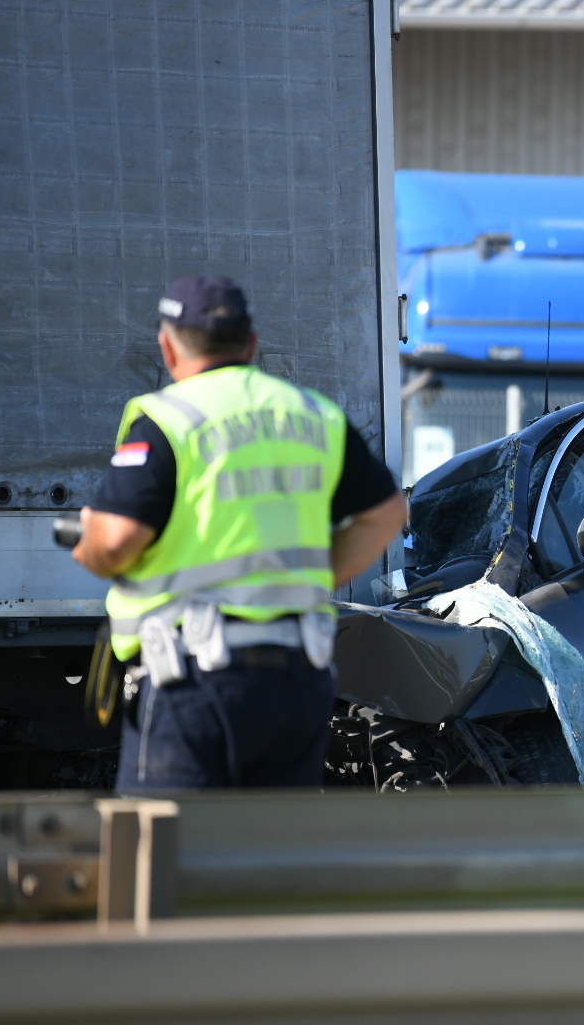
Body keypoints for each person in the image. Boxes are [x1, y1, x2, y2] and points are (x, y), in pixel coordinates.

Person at [72, 275, 406, 790]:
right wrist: (314, 576)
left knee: (162, 855)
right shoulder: (314, 415)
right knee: (267, 861)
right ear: (252, 345)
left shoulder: (169, 419)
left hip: (192, 684)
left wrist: (90, 545)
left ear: (167, 346)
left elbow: (116, 543)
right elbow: (385, 514)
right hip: (296, 682)